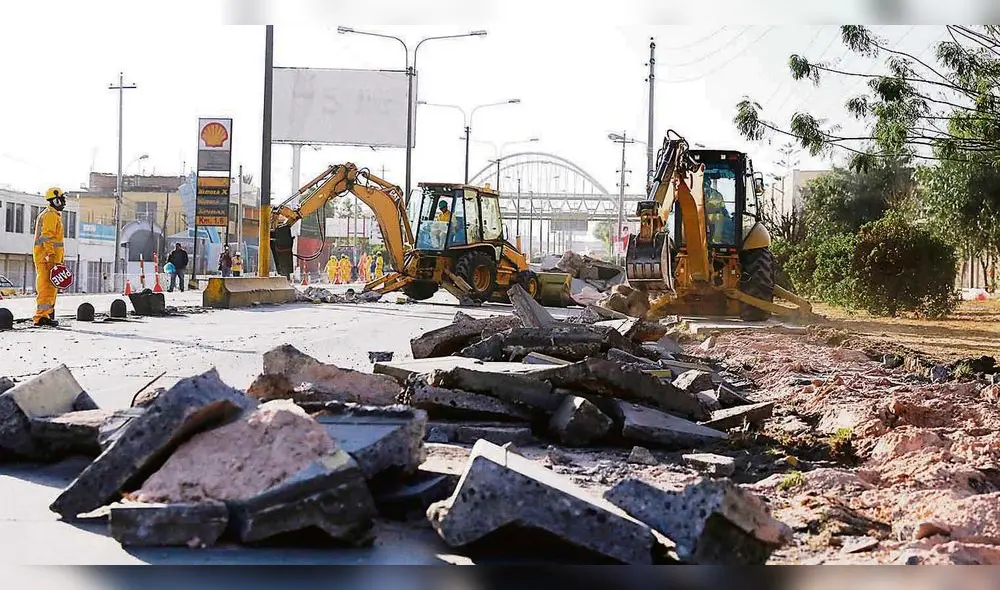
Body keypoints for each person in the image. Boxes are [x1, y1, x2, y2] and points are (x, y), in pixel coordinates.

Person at [32, 187, 66, 327]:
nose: (64, 202)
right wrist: (50, 256)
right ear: (56, 200)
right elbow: (47, 237)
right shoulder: (50, 215)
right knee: (45, 288)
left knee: (51, 288)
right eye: (62, 199)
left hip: (50, 258)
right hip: (47, 258)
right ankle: (40, 317)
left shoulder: (53, 214)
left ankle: (46, 315)